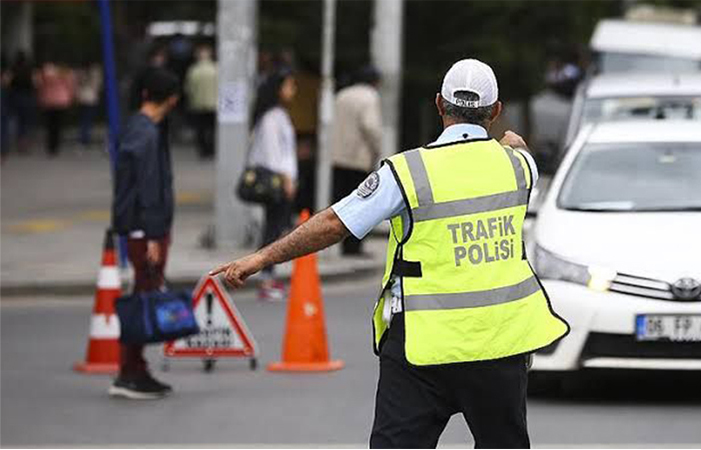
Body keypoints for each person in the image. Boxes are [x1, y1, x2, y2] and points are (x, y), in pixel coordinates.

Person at [211, 59, 570, 448]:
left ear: (438, 104)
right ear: (496, 110)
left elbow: (335, 223)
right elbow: (517, 146)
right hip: (500, 344)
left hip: (421, 347)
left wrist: (262, 258)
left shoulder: (407, 172)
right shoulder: (519, 167)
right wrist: (512, 141)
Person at [111, 68, 179, 400]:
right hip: (145, 230)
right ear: (172, 99)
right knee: (143, 298)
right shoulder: (148, 134)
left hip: (139, 227)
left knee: (143, 295)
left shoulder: (136, 127)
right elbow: (149, 188)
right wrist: (153, 235)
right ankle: (130, 371)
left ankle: (134, 368)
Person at [248, 66, 298, 301]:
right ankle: (265, 278)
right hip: (276, 181)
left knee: (276, 227)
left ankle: (269, 275)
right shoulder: (271, 118)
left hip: (281, 180)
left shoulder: (278, 114)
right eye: (289, 85)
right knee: (273, 229)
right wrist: (286, 179)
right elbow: (273, 153)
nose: (293, 90)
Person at [331, 65, 383, 256]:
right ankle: (355, 247)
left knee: (342, 203)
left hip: (338, 157)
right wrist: (376, 150)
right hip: (359, 158)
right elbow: (371, 126)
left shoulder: (342, 95)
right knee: (361, 204)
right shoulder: (370, 97)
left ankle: (343, 244)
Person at [34, 59, 75, 156]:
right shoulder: (65, 72)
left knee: (50, 125)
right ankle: (56, 146)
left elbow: (38, 84)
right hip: (61, 100)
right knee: (58, 125)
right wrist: (71, 97)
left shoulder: (45, 72)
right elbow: (70, 86)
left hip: (48, 101)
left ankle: (50, 146)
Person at [184, 45, 218, 159]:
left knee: (201, 129)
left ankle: (203, 150)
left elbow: (188, 89)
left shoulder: (193, 70)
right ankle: (212, 149)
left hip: (198, 104)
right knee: (212, 128)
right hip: (214, 104)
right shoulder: (216, 69)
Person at [76, 62, 103, 147]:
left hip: (83, 98)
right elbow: (98, 85)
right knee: (88, 119)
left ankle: (84, 137)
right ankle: (85, 137)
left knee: (84, 119)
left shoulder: (81, 73)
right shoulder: (94, 73)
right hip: (91, 98)